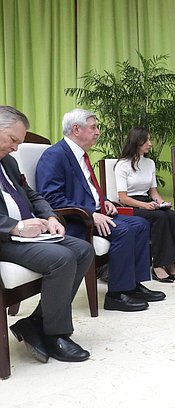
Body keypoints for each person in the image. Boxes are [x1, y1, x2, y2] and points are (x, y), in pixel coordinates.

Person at [35, 108, 165, 312]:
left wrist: (104, 201)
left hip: (95, 213)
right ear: (76, 129)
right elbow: (51, 198)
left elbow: (88, 189)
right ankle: (116, 295)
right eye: (94, 127)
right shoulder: (55, 155)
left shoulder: (81, 155)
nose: (98, 132)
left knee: (140, 224)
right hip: (77, 220)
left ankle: (133, 285)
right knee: (124, 230)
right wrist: (91, 213)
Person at [1, 106, 93, 363]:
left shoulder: (7, 161)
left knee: (83, 249)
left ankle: (37, 321)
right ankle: (56, 335)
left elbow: (31, 194)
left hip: (26, 233)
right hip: (5, 237)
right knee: (62, 258)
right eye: (13, 140)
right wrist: (16, 227)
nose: (16, 148)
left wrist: (51, 216)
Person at [114, 127, 175, 283]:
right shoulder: (122, 165)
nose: (150, 144)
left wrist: (161, 202)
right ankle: (158, 265)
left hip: (147, 201)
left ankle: (171, 263)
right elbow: (122, 197)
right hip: (130, 206)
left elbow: (153, 192)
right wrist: (144, 206)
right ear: (137, 142)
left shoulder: (150, 163)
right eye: (147, 140)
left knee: (171, 215)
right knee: (159, 217)